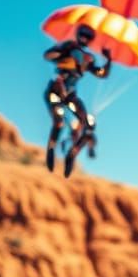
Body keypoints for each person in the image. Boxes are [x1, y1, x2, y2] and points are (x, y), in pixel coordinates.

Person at [43, 24, 111, 178]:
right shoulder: (68, 47)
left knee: (88, 126)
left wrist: (108, 60)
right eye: (83, 34)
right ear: (78, 34)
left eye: (88, 37)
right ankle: (51, 148)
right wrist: (62, 50)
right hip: (56, 90)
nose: (84, 38)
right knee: (59, 122)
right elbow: (48, 55)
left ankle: (72, 154)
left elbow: (101, 74)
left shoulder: (87, 59)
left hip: (70, 95)